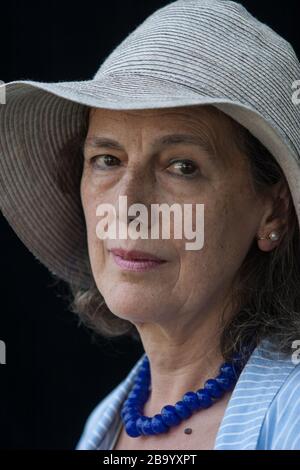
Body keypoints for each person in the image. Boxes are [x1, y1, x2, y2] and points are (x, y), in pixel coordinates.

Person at [0, 0, 300, 450]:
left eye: (182, 166)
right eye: (106, 160)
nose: (126, 206)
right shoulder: (104, 425)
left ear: (273, 211)